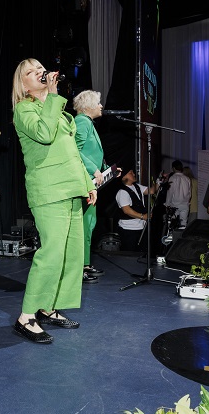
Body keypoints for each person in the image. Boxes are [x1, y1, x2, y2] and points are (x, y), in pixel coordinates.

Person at [11, 58, 97, 344]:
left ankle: (48, 306)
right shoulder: (24, 109)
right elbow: (45, 135)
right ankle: (26, 316)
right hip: (48, 190)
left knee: (70, 255)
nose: (39, 73)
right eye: (31, 72)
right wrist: (52, 95)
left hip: (71, 187)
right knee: (51, 253)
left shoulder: (57, 109)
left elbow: (71, 151)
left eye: (40, 69)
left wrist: (87, 184)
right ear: (23, 84)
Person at [73, 89, 109, 284]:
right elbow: (74, 150)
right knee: (83, 226)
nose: (101, 106)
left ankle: (85, 265)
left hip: (90, 182)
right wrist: (93, 169)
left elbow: (90, 152)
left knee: (88, 225)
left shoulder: (87, 123)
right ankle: (79, 268)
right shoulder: (82, 122)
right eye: (98, 103)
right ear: (88, 107)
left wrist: (106, 170)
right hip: (83, 183)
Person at [116, 169, 155, 253]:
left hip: (141, 227)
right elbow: (126, 210)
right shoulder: (122, 192)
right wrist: (143, 216)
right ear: (124, 177)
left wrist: (158, 182)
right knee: (130, 254)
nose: (134, 174)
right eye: (131, 173)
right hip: (129, 229)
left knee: (143, 253)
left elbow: (151, 191)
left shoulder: (137, 186)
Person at [165, 160, 191, 228]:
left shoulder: (172, 178)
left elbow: (170, 192)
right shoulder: (187, 178)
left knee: (172, 224)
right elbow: (189, 193)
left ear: (173, 168)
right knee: (183, 224)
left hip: (175, 205)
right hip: (185, 204)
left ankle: (172, 234)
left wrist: (167, 204)